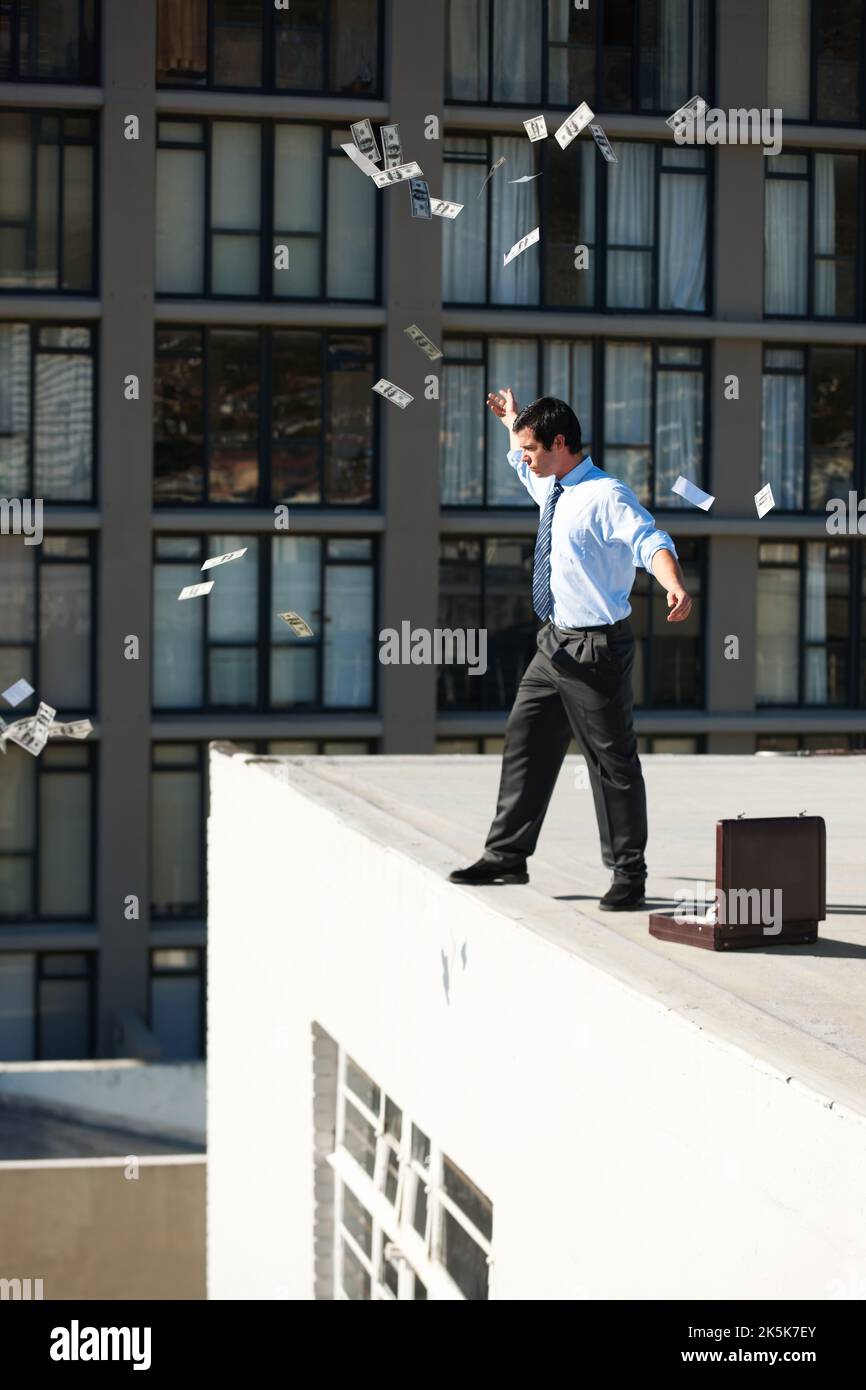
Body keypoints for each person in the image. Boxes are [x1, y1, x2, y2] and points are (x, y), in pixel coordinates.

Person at [447, 389, 693, 910]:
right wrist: (514, 420)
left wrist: (672, 583)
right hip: (552, 644)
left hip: (595, 651)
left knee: (611, 763)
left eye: (532, 448)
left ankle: (629, 875)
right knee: (525, 740)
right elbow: (523, 460)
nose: (525, 458)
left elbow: (651, 541)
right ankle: (507, 856)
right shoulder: (552, 485)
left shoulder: (607, 495)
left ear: (561, 443)